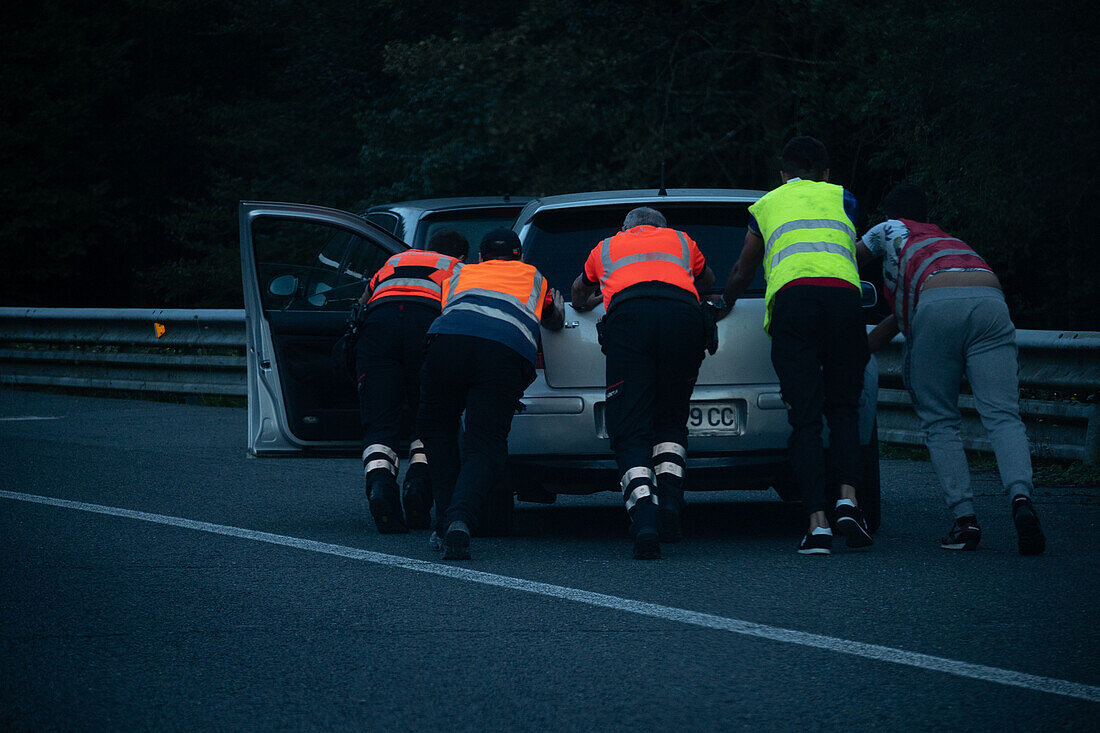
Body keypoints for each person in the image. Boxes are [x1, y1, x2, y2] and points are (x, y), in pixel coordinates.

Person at [859, 183, 1045, 555]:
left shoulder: (888, 230)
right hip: (989, 296)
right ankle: (1022, 500)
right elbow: (900, 318)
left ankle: (965, 521)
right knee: (1004, 415)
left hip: (936, 305)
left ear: (890, 216)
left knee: (940, 420)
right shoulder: (947, 241)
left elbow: (841, 266)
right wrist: (860, 350)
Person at [720, 136, 873, 555]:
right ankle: (848, 500)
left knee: (804, 417)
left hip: (793, 302)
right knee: (844, 407)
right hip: (844, 301)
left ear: (783, 175)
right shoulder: (844, 198)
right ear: (826, 174)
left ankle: (817, 524)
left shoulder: (768, 205)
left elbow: (743, 267)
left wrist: (724, 303)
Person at [571, 207, 714, 559]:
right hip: (683, 319)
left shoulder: (605, 247)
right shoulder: (682, 241)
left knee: (631, 428)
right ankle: (670, 505)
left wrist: (595, 298)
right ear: (663, 227)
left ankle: (645, 517)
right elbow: (707, 280)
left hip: (630, 321)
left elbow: (578, 292)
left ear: (625, 228)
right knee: (671, 419)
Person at [417, 228, 565, 560]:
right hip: (502, 350)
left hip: (446, 343)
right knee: (484, 444)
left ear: (480, 258)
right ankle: (460, 519)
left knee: (438, 433)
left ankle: (443, 520)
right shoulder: (533, 277)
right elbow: (552, 320)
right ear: (520, 257)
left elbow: (451, 310)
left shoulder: (460, 274)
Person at [356, 229, 468, 534]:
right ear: (461, 256)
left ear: (426, 248)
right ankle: (418, 486)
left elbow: (363, 301)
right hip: (426, 325)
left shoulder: (394, 261)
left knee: (380, 423)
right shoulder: (458, 269)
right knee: (429, 417)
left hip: (378, 328)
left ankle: (380, 488)